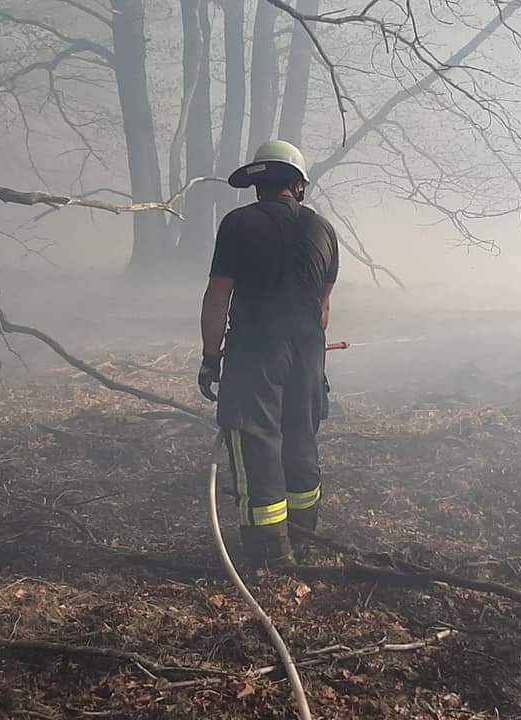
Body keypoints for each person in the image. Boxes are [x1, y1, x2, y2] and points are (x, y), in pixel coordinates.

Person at [198, 140, 339, 569]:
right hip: (309, 354)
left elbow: (217, 297)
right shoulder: (323, 230)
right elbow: (323, 308)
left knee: (256, 446)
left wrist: (210, 357)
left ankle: (271, 556)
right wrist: (309, 357)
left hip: (254, 353)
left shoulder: (238, 224)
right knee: (300, 439)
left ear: (258, 185)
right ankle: (304, 541)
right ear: (298, 185)